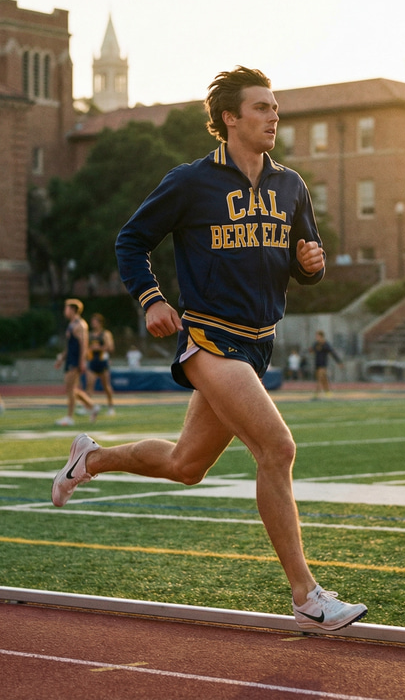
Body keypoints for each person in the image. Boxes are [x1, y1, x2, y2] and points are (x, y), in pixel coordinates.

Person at [52, 66, 366, 632]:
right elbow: (131, 240)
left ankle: (89, 458)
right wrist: (150, 298)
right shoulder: (190, 181)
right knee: (278, 448)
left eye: (275, 107)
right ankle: (307, 595)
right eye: (262, 107)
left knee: (185, 464)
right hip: (208, 339)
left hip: (258, 345)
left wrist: (310, 266)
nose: (274, 116)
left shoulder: (291, 186)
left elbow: (301, 261)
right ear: (230, 118)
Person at [54, 299, 97, 425]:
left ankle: (69, 417)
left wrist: (82, 362)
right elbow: (69, 346)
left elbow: (84, 345)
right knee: (71, 388)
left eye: (66, 308)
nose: (65, 311)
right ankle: (92, 406)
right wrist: (61, 358)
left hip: (75, 360)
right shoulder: (71, 324)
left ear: (72, 310)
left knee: (70, 388)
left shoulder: (80, 325)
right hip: (70, 359)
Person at [86, 312, 116, 416]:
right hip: (92, 362)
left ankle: (111, 407)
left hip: (103, 362)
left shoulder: (105, 334)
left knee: (106, 386)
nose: (93, 324)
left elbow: (110, 347)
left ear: (100, 323)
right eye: (92, 322)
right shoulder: (89, 335)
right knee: (89, 386)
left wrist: (98, 348)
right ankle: (88, 407)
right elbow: (86, 348)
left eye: (95, 322)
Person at [310, 330, 342, 398]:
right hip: (317, 364)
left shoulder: (325, 344)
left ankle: (317, 393)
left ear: (321, 336)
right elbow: (312, 350)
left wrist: (339, 362)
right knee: (324, 379)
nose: (316, 338)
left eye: (318, 336)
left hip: (323, 364)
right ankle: (327, 392)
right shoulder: (316, 344)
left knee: (320, 378)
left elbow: (332, 353)